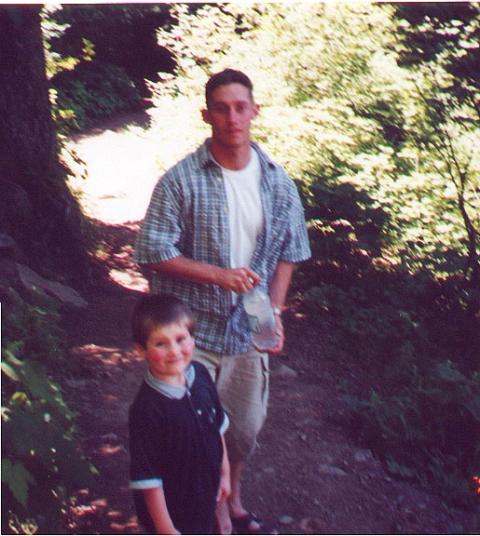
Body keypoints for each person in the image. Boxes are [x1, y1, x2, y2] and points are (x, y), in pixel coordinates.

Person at [134, 68, 311, 534]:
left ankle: (236, 497)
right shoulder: (182, 179)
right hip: (193, 334)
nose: (232, 117)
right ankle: (214, 511)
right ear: (206, 114)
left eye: (240, 106)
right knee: (197, 435)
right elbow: (152, 250)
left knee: (245, 429)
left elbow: (291, 251)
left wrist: (274, 310)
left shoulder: (277, 181)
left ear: (254, 110)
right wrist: (218, 276)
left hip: (249, 332)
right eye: (221, 108)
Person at [128, 294, 230, 534]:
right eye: (160, 344)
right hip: (172, 511)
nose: (174, 351)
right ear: (141, 351)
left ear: (193, 340)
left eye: (180, 339)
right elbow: (148, 479)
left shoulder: (201, 375)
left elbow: (217, 428)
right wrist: (167, 530)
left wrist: (224, 474)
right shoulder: (147, 410)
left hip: (205, 494)